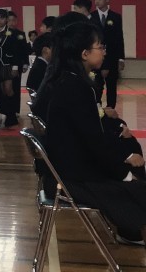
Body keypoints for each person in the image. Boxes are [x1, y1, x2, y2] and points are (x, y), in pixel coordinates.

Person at [45, 21, 146, 247]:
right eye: (100, 47)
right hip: (73, 176)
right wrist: (123, 172)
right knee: (136, 181)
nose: (104, 52)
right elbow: (92, 142)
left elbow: (92, 135)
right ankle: (131, 229)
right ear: (84, 53)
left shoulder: (71, 80)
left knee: (131, 152)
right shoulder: (75, 87)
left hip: (74, 164)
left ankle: (130, 230)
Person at [90, 0, 125, 109]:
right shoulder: (91, 17)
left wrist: (121, 58)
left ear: (107, 0)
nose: (96, 1)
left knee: (111, 87)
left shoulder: (116, 17)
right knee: (97, 86)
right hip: (95, 58)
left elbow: (119, 38)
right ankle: (97, 110)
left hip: (112, 57)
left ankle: (111, 110)